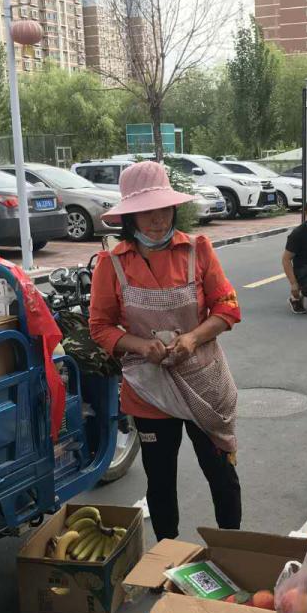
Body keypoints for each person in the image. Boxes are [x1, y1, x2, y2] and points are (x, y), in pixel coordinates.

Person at [89, 161, 242, 540]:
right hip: (149, 391)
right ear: (130, 217)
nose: (157, 219)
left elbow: (227, 308)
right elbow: (100, 327)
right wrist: (141, 345)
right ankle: (167, 553)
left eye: (164, 209)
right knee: (159, 479)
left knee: (220, 471)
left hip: (204, 384)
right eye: (146, 212)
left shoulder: (198, 250)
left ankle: (233, 548)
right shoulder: (111, 264)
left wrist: (193, 338)